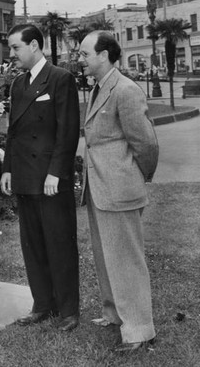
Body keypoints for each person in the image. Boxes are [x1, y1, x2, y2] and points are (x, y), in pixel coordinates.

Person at [78, 31, 159, 353]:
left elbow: (146, 143)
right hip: (100, 189)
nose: (80, 59)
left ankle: (139, 330)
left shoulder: (125, 90)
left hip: (118, 188)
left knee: (126, 260)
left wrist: (137, 176)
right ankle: (114, 314)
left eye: (85, 54)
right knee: (106, 255)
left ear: (105, 55)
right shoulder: (99, 87)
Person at [0, 24, 80, 331]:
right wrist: (7, 168)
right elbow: (13, 131)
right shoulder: (18, 84)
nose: (12, 54)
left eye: (16, 48)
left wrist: (55, 173)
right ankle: (43, 304)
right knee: (32, 244)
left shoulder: (61, 79)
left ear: (34, 45)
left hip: (50, 180)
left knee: (59, 243)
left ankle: (69, 310)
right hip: (24, 176)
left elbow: (67, 132)